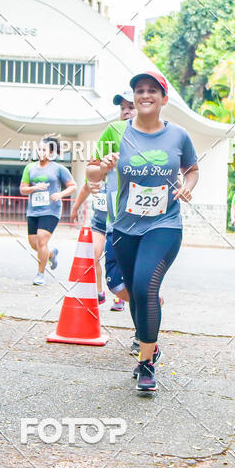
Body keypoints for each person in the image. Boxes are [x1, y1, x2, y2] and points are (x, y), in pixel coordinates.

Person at [88, 71, 198, 392]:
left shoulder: (178, 136)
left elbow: (191, 169)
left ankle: (146, 363)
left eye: (152, 90)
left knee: (146, 284)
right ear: (134, 98)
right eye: (139, 90)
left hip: (165, 225)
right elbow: (91, 171)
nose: (145, 95)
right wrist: (103, 166)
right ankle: (150, 343)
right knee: (134, 291)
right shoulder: (116, 132)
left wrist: (187, 187)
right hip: (124, 227)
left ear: (164, 99)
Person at [72, 90, 136, 310]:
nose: (126, 112)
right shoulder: (112, 136)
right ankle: (99, 292)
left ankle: (136, 313)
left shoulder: (160, 135)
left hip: (139, 219)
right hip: (105, 220)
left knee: (137, 275)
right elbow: (89, 179)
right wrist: (76, 207)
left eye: (131, 107)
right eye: (123, 108)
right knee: (94, 256)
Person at [20, 135, 77, 285]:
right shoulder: (30, 168)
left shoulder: (59, 169)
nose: (40, 152)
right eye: (38, 149)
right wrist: (34, 188)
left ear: (51, 152)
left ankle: (40, 274)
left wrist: (60, 194)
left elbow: (73, 186)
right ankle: (51, 254)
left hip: (51, 210)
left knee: (41, 240)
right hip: (33, 211)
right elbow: (23, 189)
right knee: (34, 244)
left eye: (44, 149)